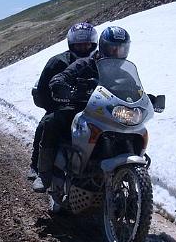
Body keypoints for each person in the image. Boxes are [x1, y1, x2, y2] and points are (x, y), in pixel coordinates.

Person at [32, 26, 131, 193]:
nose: (116, 52)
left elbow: (133, 88)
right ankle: (44, 173)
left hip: (105, 110)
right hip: (76, 107)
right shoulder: (85, 63)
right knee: (50, 122)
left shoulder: (122, 71)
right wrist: (63, 89)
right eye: (112, 48)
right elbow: (61, 77)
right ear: (103, 47)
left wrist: (146, 98)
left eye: (120, 49)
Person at [28, 22, 98, 181]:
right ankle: (40, 170)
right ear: (71, 44)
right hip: (64, 107)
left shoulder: (99, 62)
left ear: (93, 44)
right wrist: (58, 101)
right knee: (49, 122)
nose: (82, 48)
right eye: (78, 45)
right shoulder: (58, 62)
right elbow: (43, 91)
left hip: (96, 108)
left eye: (86, 44)